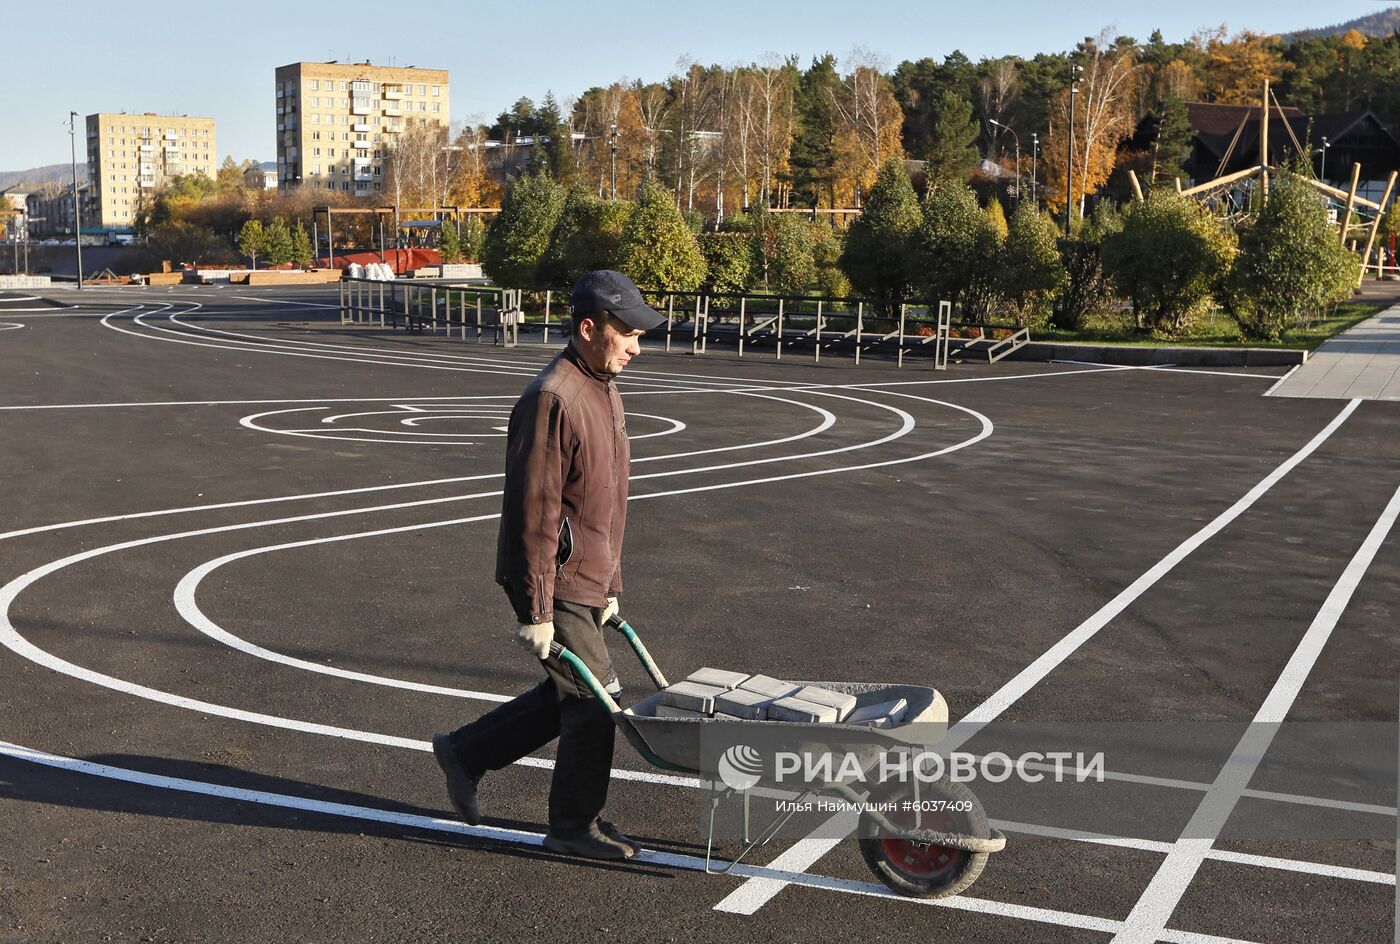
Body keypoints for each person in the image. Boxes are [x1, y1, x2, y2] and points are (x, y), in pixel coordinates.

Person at [432, 270, 664, 860]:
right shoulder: (554, 398)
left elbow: (605, 501)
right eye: (629, 333)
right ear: (589, 328)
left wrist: (609, 583)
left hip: (585, 576)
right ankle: (571, 827)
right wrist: (536, 610)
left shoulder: (603, 390)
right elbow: (535, 512)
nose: (638, 346)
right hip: (554, 580)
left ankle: (466, 752)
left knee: (574, 692)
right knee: (595, 701)